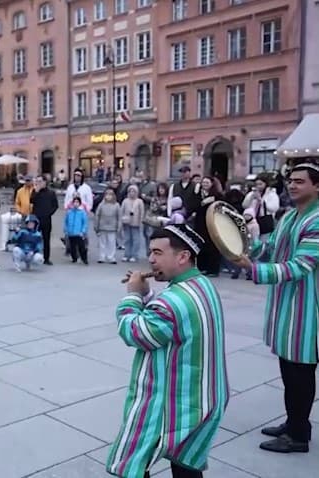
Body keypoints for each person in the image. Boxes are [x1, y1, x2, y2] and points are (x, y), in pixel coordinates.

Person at [108, 224, 229, 478]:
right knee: (185, 463)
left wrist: (132, 296)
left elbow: (135, 332)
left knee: (132, 461)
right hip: (204, 397)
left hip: (173, 402)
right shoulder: (202, 284)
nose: (150, 260)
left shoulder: (170, 302)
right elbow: (170, 323)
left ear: (183, 256)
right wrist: (148, 294)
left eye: (157, 253)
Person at [233, 161, 319, 453]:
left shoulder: (317, 221)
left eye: (300, 181)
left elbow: (301, 265)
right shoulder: (289, 217)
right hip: (288, 308)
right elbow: (272, 250)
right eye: (291, 181)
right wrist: (246, 247)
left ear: (317, 186)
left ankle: (298, 436)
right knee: (289, 371)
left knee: (300, 373)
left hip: (308, 311)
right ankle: (294, 422)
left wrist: (254, 271)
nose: (292, 185)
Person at [30, 175, 58, 265]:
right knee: (35, 238)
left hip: (46, 219)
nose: (38, 183)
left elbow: (55, 205)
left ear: (45, 182)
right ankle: (34, 256)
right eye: (37, 181)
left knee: (46, 239)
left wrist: (49, 213)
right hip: (36, 219)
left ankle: (46, 258)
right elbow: (31, 201)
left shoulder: (51, 193)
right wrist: (36, 192)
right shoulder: (35, 191)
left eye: (40, 181)